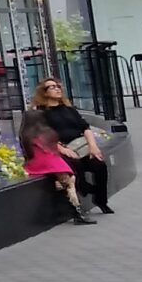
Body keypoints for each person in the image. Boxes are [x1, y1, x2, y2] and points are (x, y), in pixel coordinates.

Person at [29, 78, 114, 214]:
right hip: (59, 150)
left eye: (58, 86)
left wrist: (93, 146)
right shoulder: (41, 112)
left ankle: (101, 200)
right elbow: (42, 135)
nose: (57, 89)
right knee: (75, 164)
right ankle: (84, 190)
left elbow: (85, 128)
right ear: (44, 92)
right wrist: (63, 149)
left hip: (80, 147)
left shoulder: (69, 109)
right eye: (52, 87)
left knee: (99, 165)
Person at [19, 113, 96, 225]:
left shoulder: (26, 135)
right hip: (50, 162)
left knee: (65, 182)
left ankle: (76, 212)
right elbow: (49, 148)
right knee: (70, 183)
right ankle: (78, 213)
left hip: (36, 164)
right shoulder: (41, 134)